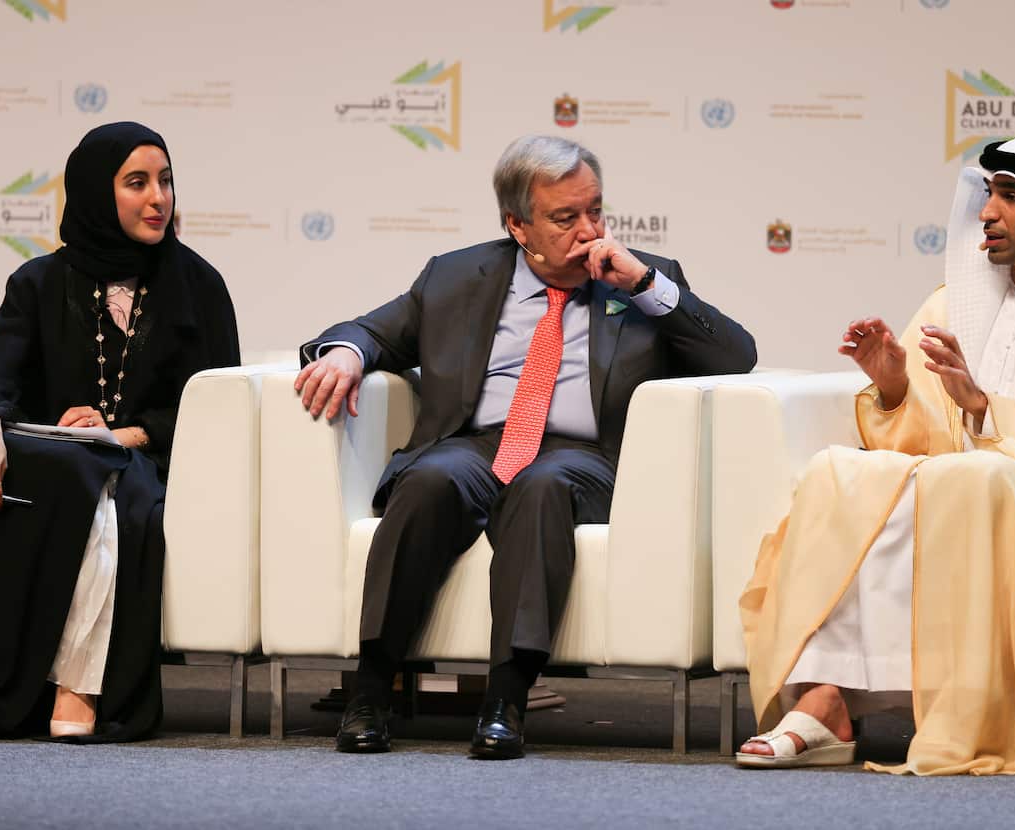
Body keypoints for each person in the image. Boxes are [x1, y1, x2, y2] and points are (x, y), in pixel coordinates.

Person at [297, 134, 757, 759]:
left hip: (583, 455)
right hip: (478, 446)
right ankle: (371, 693)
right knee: (429, 480)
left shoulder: (643, 280)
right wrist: (347, 354)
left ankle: (505, 701)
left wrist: (644, 284)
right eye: (565, 218)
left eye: (595, 210)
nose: (589, 230)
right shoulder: (456, 276)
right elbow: (372, 330)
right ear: (518, 226)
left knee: (542, 487)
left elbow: (735, 355)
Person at [737, 138, 1015, 775]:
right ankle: (825, 697)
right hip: (954, 485)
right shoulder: (950, 303)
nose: (987, 212)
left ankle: (889, 708)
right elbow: (917, 444)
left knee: (971, 480)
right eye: (988, 193)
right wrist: (894, 388)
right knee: (841, 471)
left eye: (1010, 196)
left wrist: (984, 409)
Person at [0, 122, 240, 741]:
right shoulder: (38, 282)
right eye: (137, 183)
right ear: (95, 192)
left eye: (165, 181)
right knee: (35, 477)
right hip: (47, 459)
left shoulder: (200, 287)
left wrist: (122, 435)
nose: (158, 198)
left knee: (99, 484)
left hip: (151, 464)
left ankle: (78, 682)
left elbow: (213, 405)